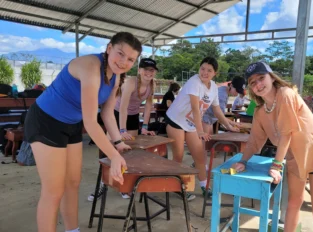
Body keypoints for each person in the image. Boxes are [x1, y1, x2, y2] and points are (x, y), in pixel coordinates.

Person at [24, 32, 140, 232]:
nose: (123, 62)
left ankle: (72, 230)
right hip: (46, 121)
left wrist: (118, 142)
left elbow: (106, 113)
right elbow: (91, 121)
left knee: (73, 183)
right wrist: (113, 156)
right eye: (120, 54)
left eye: (130, 59)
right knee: (53, 191)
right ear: (109, 48)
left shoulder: (117, 75)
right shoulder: (91, 66)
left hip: (72, 124)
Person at [232, 62, 313, 232]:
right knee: (293, 204)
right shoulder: (260, 111)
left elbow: (287, 133)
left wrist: (276, 165)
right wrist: (243, 161)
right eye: (253, 82)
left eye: (261, 78)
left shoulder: (285, 94)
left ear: (272, 77)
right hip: (294, 158)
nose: (258, 84)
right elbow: (255, 141)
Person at [165, 57, 239, 201]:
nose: (205, 72)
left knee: (199, 156)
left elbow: (217, 110)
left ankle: (205, 186)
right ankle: (177, 187)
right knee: (178, 156)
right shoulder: (194, 81)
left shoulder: (214, 88)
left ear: (215, 73)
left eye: (209, 70)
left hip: (191, 125)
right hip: (176, 121)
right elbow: (195, 108)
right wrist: (200, 131)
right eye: (202, 68)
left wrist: (229, 125)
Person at [87, 58, 157, 201]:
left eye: (151, 70)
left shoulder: (152, 84)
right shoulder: (131, 82)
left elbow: (149, 106)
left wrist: (144, 127)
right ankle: (102, 185)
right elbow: (123, 106)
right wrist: (122, 130)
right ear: (139, 70)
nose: (148, 73)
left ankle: (124, 185)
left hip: (133, 116)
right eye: (145, 69)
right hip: (117, 114)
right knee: (109, 151)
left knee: (129, 152)